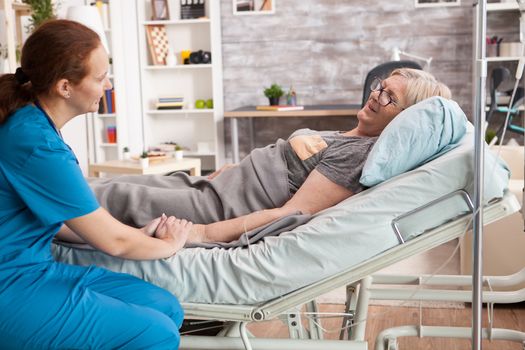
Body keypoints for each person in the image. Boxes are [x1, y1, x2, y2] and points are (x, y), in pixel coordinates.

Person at [88, 69, 451, 248]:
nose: (376, 96)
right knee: (110, 186)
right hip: (216, 186)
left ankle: (31, 229)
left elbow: (290, 213)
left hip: (220, 206)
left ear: (403, 117)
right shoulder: (353, 135)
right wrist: (228, 170)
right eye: (381, 87)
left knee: (116, 198)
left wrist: (202, 232)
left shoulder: (359, 155)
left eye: (389, 97)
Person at [0, 20, 192, 349]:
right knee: (156, 333)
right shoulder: (34, 141)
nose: (108, 85)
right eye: (101, 77)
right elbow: (113, 243)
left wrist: (136, 234)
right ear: (65, 87)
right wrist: (169, 246)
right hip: (10, 283)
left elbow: (64, 220)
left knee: (166, 307)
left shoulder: (36, 124)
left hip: (33, 269)